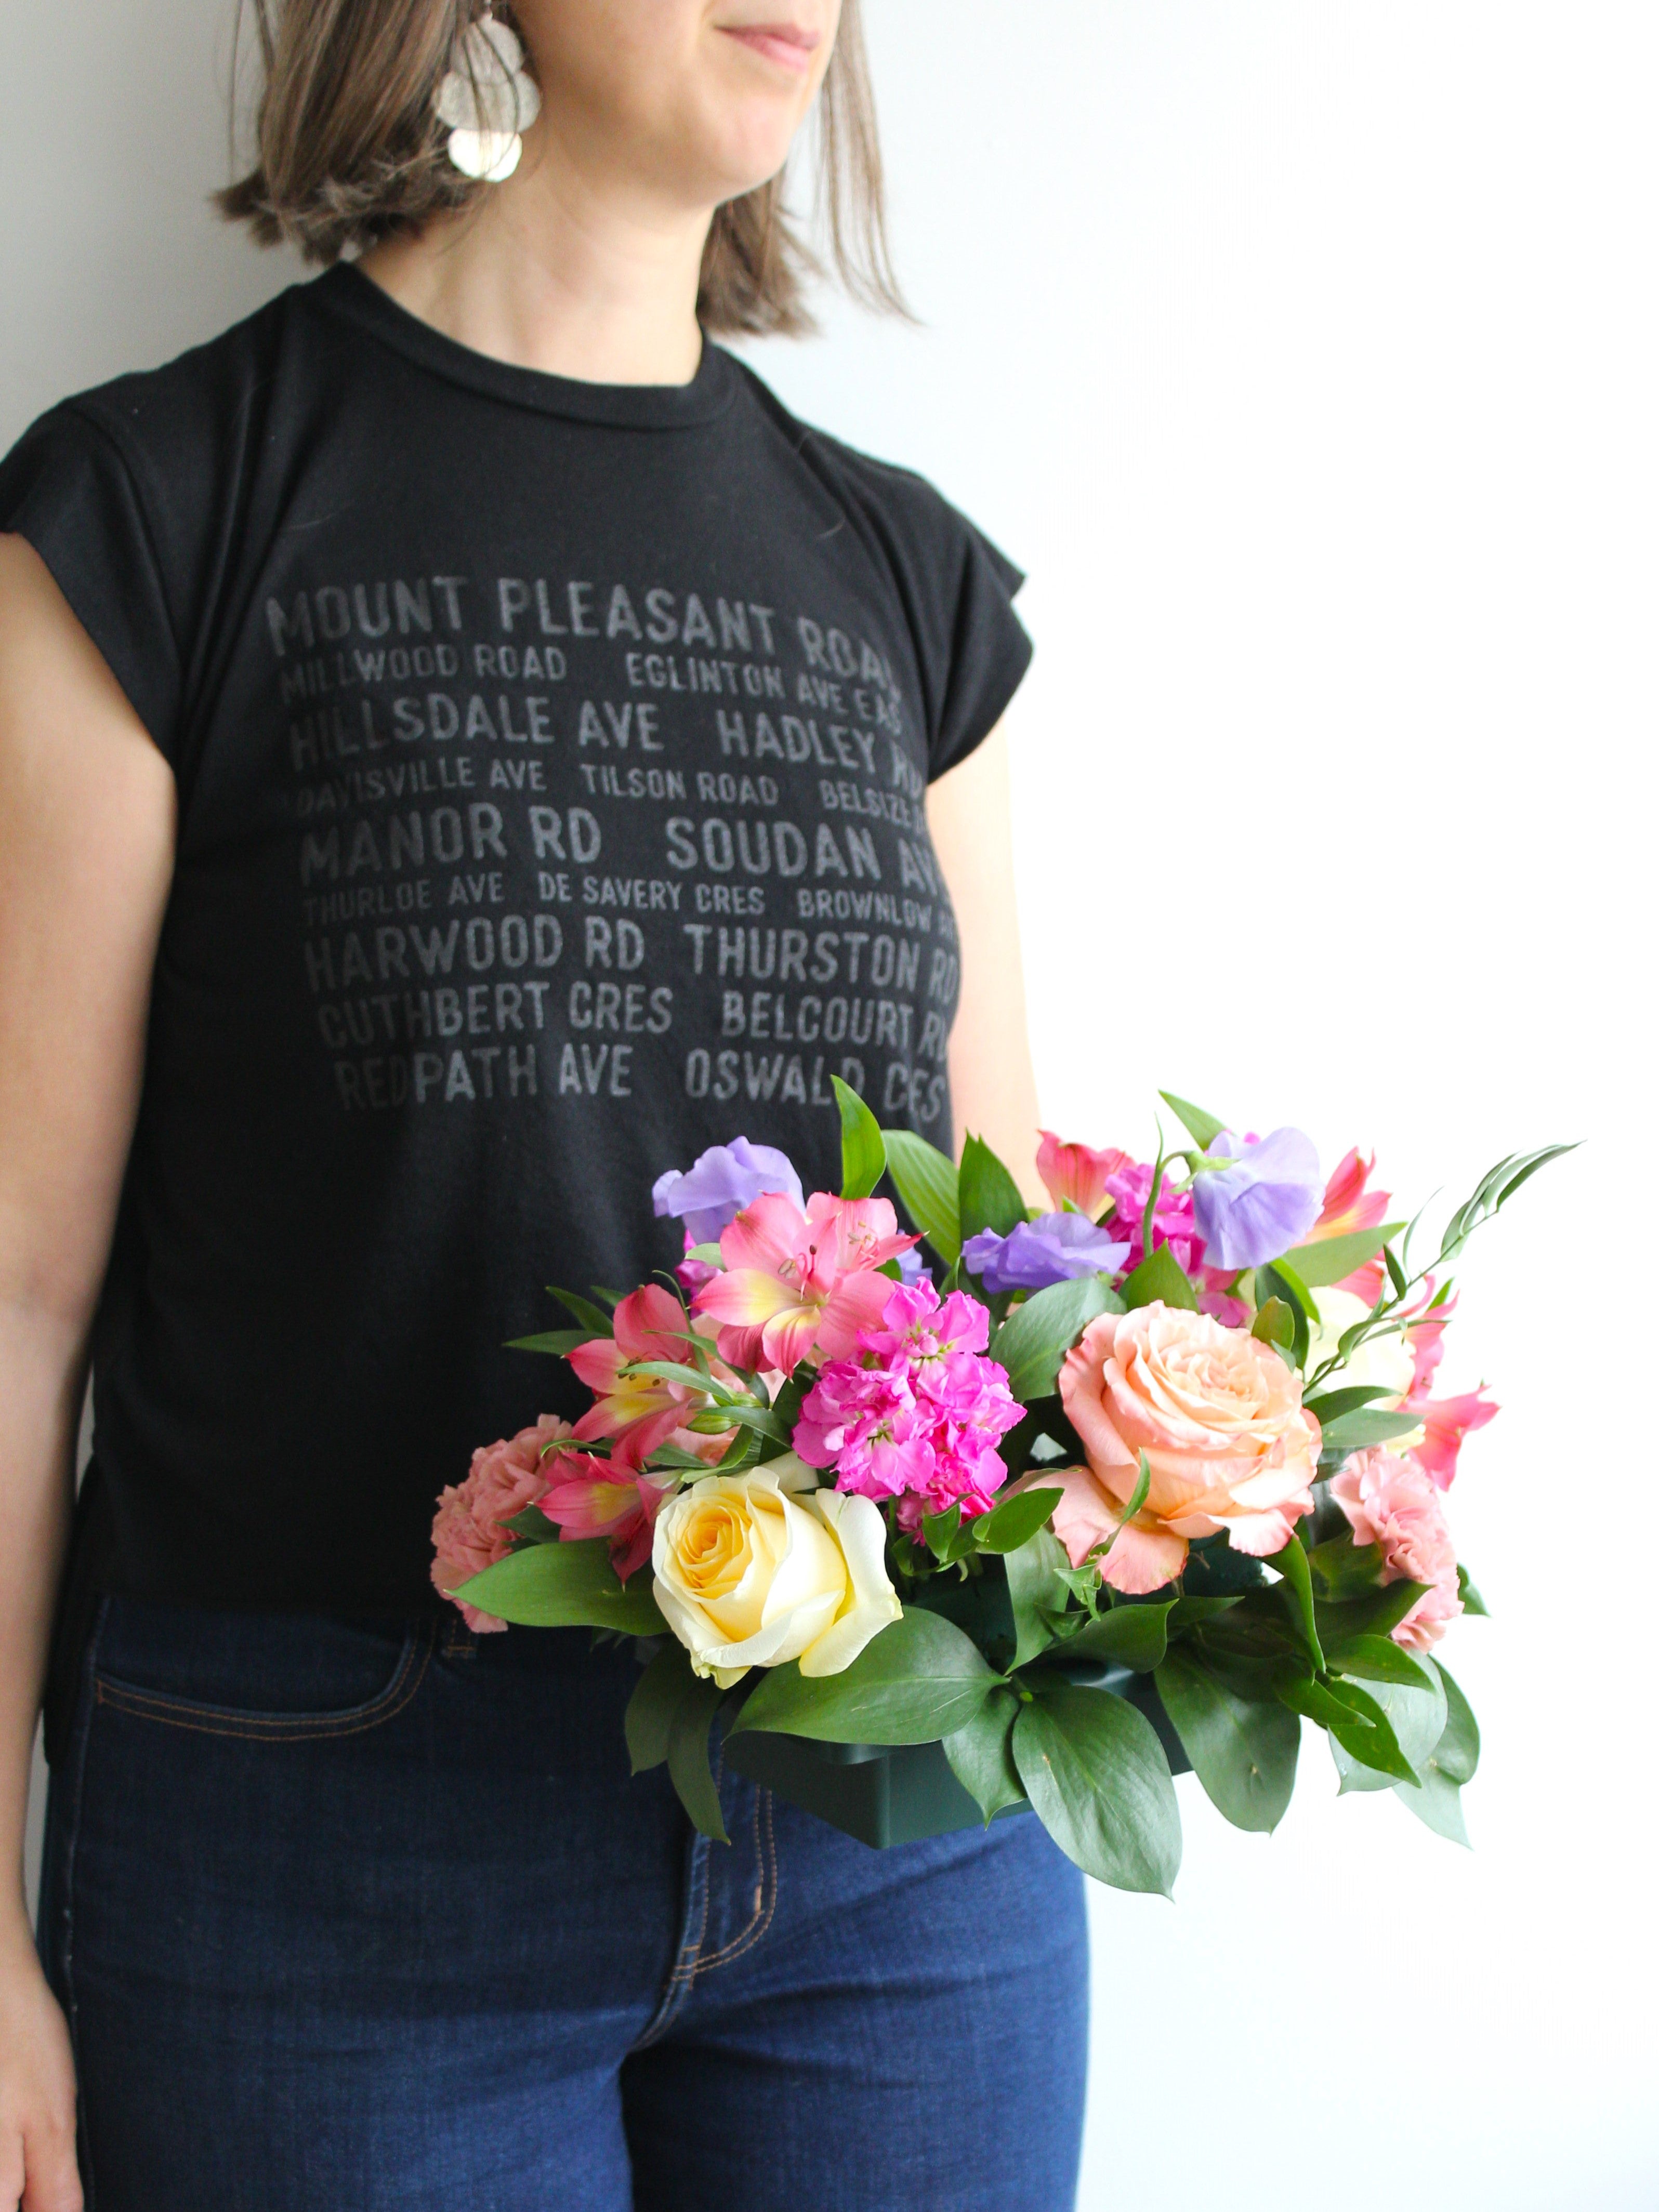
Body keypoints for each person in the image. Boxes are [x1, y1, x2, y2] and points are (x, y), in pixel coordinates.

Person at [0, 4, 1085, 2205]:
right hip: (323, 1832)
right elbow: (17, 1292)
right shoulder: (155, 510)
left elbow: (1015, 1254)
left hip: (898, 1842)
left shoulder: (909, 578)